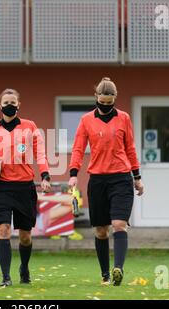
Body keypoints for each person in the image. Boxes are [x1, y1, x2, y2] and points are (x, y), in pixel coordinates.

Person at [68, 77, 144, 286]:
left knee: (119, 224)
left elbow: (130, 149)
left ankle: (118, 268)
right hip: (98, 180)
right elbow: (78, 148)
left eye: (109, 104)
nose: (105, 106)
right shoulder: (86, 120)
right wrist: (73, 173)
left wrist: (137, 178)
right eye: (102, 102)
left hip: (121, 178)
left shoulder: (124, 118)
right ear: (96, 98)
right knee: (101, 230)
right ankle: (105, 275)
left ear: (114, 100)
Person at [0, 88, 51, 287]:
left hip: (25, 188)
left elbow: (40, 154)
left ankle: (24, 267)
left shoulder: (30, 126)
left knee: (25, 236)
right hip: (2, 187)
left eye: (13, 102)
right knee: (3, 230)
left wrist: (45, 175)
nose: (9, 105)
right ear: (0, 105)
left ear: (19, 105)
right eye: (6, 102)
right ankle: (5, 277)